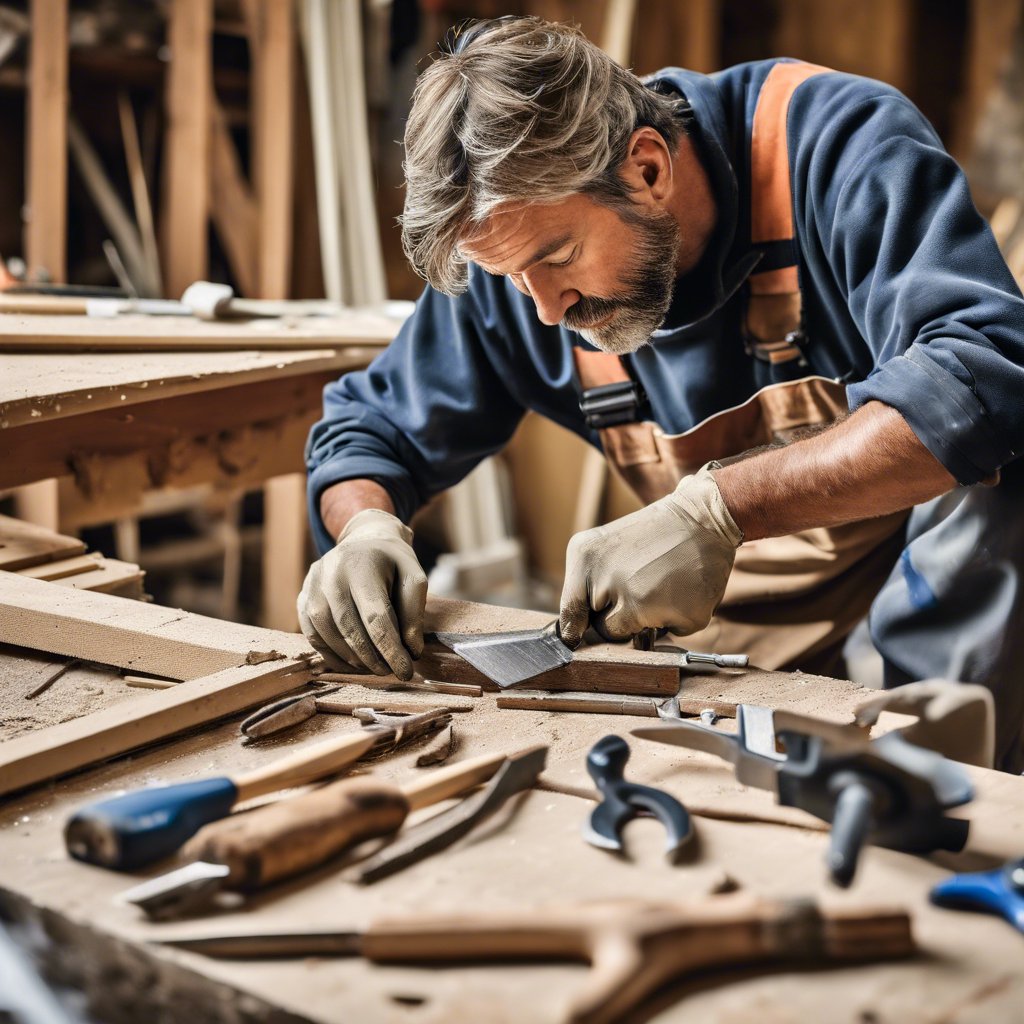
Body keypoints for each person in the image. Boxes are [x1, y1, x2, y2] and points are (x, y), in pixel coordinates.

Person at [299, 16, 1024, 771]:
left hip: (922, 606)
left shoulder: (832, 144)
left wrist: (719, 510)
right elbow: (368, 428)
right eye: (511, 278)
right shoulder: (523, 256)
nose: (545, 309)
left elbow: (986, 375)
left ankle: (950, 783)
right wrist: (364, 531)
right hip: (729, 632)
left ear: (646, 168)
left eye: (559, 258)